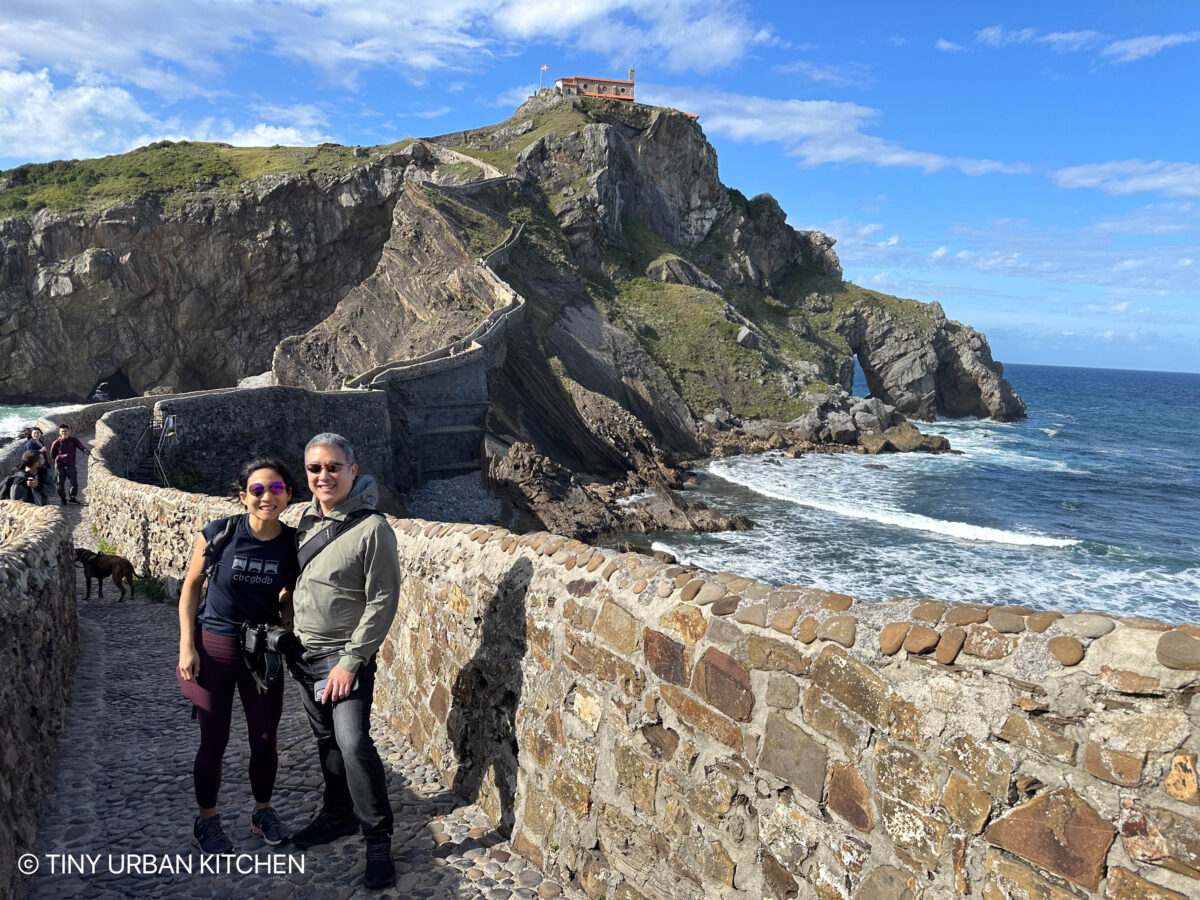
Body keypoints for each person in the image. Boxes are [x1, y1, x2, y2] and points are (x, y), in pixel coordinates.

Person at [288, 433, 400, 889]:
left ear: (353, 471)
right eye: (315, 468)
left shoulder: (373, 528)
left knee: (353, 742)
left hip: (344, 657)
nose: (323, 476)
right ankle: (337, 815)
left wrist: (351, 662)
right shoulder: (305, 521)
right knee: (326, 742)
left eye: (333, 467)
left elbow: (383, 600)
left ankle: (378, 839)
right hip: (304, 654)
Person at [178, 457, 298, 853]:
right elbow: (191, 587)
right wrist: (186, 646)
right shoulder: (220, 533)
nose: (268, 497)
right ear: (243, 495)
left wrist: (286, 622)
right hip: (214, 646)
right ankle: (206, 821)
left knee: (265, 739)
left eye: (276, 488)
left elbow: (287, 592)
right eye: (259, 489)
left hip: (260, 651)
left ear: (289, 495)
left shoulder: (292, 542)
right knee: (214, 739)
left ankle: (262, 811)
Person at [49, 424, 91, 505]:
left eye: (66, 431)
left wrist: (89, 454)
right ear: (59, 432)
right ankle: (63, 499)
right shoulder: (56, 442)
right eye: (62, 431)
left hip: (71, 465)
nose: (64, 433)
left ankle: (72, 498)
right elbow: (52, 454)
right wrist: (60, 458)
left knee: (74, 483)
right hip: (59, 466)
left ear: (69, 431)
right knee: (60, 484)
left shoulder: (74, 440)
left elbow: (82, 447)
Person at [22, 427, 53, 503]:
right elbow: (29, 455)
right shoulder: (30, 444)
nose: (36, 434)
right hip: (35, 467)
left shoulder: (40, 442)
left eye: (38, 433)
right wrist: (40, 451)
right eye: (34, 433)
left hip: (43, 465)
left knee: (46, 483)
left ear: (41, 434)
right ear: (31, 435)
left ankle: (44, 499)